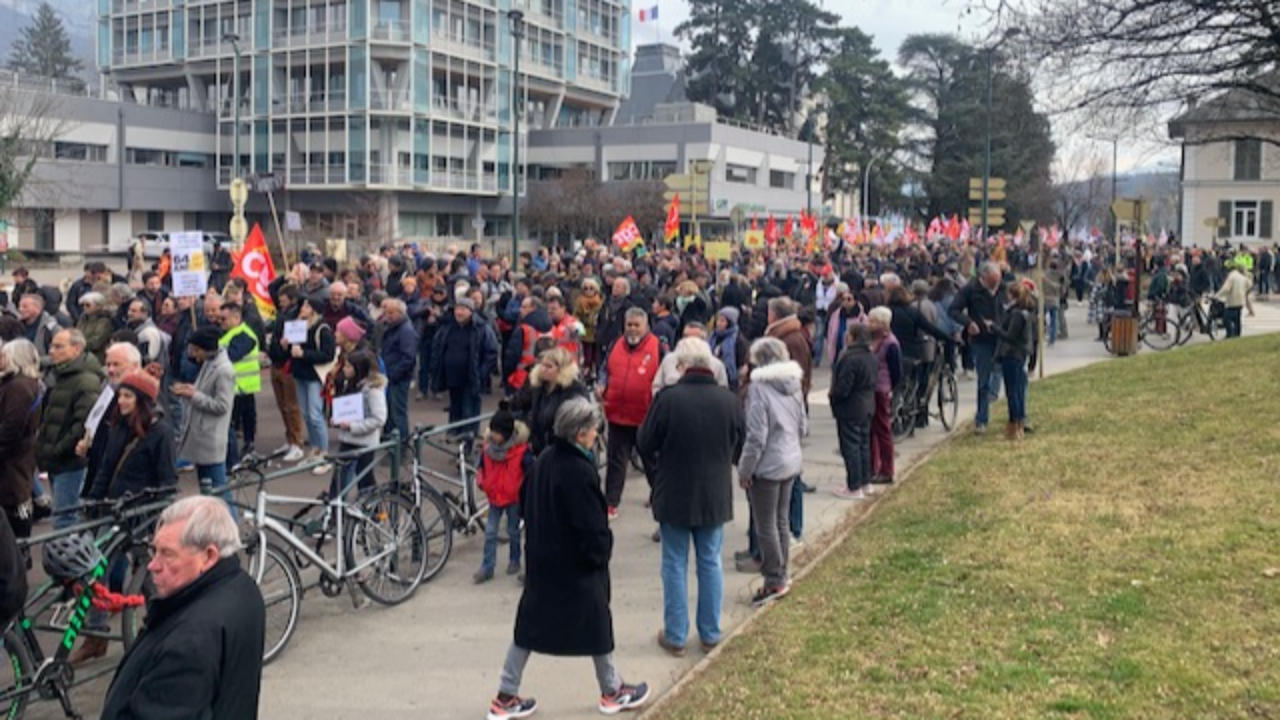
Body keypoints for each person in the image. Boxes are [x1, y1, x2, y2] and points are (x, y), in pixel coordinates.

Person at [486, 397, 649, 720]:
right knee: (597, 626)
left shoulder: (545, 459)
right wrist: (601, 553)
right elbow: (592, 525)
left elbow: (525, 498)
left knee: (528, 629)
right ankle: (612, 690)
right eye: (592, 431)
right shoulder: (579, 471)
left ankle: (506, 694)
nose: (596, 435)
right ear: (580, 434)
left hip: (544, 561)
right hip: (575, 565)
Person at [100, 496, 265, 720]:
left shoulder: (188, 641)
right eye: (154, 550)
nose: (152, 565)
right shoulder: (242, 586)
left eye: (167, 554)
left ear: (209, 556)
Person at [638, 339, 743, 656]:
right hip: (714, 490)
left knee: (674, 563)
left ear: (681, 365)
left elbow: (644, 442)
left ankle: (676, 634)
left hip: (675, 489)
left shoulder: (668, 399)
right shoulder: (728, 399)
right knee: (710, 562)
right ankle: (710, 632)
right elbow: (742, 440)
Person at [74, 369, 176, 664]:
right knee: (96, 570)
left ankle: (165, 626)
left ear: (143, 400)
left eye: (127, 396)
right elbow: (106, 468)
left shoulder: (161, 432)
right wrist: (92, 500)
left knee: (148, 575)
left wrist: (154, 513)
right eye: (120, 394)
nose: (120, 400)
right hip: (113, 511)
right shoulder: (118, 426)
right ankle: (95, 634)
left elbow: (167, 481)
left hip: (142, 515)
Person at [737, 337, 806, 608]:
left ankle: (774, 578)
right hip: (790, 458)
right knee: (780, 520)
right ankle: (782, 572)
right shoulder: (794, 385)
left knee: (765, 523)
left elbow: (756, 435)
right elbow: (802, 424)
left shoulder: (759, 389)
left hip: (767, 463)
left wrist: (745, 469)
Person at [36, 329, 105, 530]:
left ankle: (69, 560)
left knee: (65, 521)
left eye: (59, 347)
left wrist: (57, 449)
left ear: (76, 349)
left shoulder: (85, 380)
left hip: (71, 461)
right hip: (59, 460)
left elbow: (83, 424)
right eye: (52, 346)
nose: (52, 351)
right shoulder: (63, 376)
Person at [598, 308, 661, 519]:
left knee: (651, 462)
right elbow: (604, 369)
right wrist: (601, 384)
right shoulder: (616, 344)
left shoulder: (658, 347)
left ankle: (659, 497)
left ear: (646, 326)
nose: (632, 329)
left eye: (636, 325)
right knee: (616, 462)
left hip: (645, 416)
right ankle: (611, 503)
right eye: (629, 325)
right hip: (617, 413)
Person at [173, 327, 237, 511]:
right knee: (208, 490)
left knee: (218, 490)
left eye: (196, 349)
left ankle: (230, 525)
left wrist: (194, 396)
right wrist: (189, 389)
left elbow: (222, 406)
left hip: (211, 437)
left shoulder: (224, 371)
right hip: (201, 437)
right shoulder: (209, 362)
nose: (193, 353)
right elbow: (201, 389)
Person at [473, 402, 531, 584]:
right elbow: (481, 467)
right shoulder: (487, 450)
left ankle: (515, 558)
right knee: (490, 532)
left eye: (496, 432)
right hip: (494, 496)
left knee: (513, 531)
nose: (492, 435)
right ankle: (487, 566)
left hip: (513, 497)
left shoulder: (521, 452)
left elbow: (530, 471)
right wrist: (482, 481)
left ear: (505, 434)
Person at [949, 261, 1005, 434]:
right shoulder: (971, 290)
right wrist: (968, 323)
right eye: (992, 282)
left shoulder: (1004, 288)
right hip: (982, 339)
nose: (996, 285)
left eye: (998, 281)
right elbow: (953, 310)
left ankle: (1017, 417)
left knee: (1008, 375)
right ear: (983, 278)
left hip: (1003, 338)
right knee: (983, 380)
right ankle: (982, 419)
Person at [431, 298, 499, 437]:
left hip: (472, 376)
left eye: (463, 309)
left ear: (471, 311)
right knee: (455, 405)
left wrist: (481, 373)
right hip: (451, 375)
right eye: (457, 308)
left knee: (469, 408)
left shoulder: (481, 328)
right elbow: (437, 347)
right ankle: (454, 432)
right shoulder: (448, 326)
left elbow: (491, 352)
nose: (459, 312)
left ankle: (469, 436)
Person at [286, 296, 337, 473]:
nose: (302, 308)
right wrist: (286, 344)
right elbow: (292, 350)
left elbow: (328, 354)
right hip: (300, 374)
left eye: (307, 306)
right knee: (306, 414)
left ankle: (324, 453)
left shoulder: (322, 329)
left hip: (314, 376)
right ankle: (315, 450)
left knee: (315, 415)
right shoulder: (299, 326)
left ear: (314, 310)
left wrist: (304, 354)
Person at [329, 349, 387, 500]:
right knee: (340, 478)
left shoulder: (373, 390)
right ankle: (336, 510)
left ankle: (374, 511)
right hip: (348, 438)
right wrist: (337, 419)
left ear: (359, 369)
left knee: (365, 479)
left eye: (348, 367)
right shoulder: (350, 383)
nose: (344, 369)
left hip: (364, 441)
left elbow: (379, 418)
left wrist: (352, 426)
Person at [0, 339, 42, 541]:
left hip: (11, 463)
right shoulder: (20, 383)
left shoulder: (19, 387)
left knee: (13, 513)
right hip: (16, 461)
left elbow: (11, 428)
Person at [829, 323, 878, 500]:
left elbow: (843, 387)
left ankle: (854, 485)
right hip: (867, 404)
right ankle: (866, 482)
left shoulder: (850, 358)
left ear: (853, 337)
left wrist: (833, 396)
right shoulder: (871, 356)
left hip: (850, 407)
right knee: (864, 445)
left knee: (850, 447)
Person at [988, 282, 1037, 440]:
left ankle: (1014, 427)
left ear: (1012, 295)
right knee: (1017, 391)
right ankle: (1018, 424)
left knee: (1012, 392)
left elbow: (1010, 336)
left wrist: (994, 328)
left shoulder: (1017, 314)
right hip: (1019, 355)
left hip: (1012, 354)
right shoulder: (1026, 312)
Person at [266, 285, 306, 462]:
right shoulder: (282, 313)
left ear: (293, 300)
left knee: (292, 407)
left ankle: (297, 442)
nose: (280, 303)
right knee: (283, 406)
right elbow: (271, 289)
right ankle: (290, 440)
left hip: (288, 365)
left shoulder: (297, 316)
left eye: (283, 300)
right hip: (276, 362)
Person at [523, 346, 589, 455]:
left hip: (563, 453)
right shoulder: (539, 387)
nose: (543, 369)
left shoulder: (573, 390)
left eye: (549, 366)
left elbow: (580, 424)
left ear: (562, 370)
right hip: (540, 451)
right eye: (542, 365)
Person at [218, 302, 260, 459]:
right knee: (236, 422)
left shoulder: (244, 335)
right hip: (234, 386)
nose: (220, 322)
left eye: (224, 319)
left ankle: (243, 451)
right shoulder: (230, 333)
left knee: (237, 422)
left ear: (236, 318)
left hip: (242, 386)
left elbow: (232, 355)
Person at [867, 306, 902, 484]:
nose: (869, 323)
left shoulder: (890, 343)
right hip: (870, 389)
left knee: (883, 429)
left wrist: (890, 389)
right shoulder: (873, 339)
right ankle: (873, 466)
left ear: (882, 323)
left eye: (873, 321)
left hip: (881, 388)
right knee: (872, 430)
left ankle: (887, 469)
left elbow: (896, 371)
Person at [378, 297, 418, 442]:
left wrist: (393, 375)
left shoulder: (406, 331)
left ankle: (401, 444)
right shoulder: (392, 328)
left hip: (397, 378)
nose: (387, 316)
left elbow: (408, 358)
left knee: (398, 412)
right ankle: (391, 440)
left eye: (390, 313)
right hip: (390, 375)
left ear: (400, 313)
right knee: (390, 410)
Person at [1214, 260, 1253, 338]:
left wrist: (1217, 295)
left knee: (1226, 318)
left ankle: (1230, 334)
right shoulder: (1242, 277)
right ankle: (1237, 334)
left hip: (1232, 301)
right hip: (1240, 301)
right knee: (1237, 319)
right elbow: (1249, 285)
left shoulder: (1231, 277)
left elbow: (1226, 289)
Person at [710, 307, 745, 391]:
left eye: (722, 321)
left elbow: (741, 359)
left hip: (730, 378)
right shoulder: (712, 336)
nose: (718, 323)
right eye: (718, 320)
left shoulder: (738, 340)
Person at [76, 292, 114, 364]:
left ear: (98, 306)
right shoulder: (83, 318)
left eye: (88, 305)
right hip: (80, 354)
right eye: (83, 305)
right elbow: (76, 334)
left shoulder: (104, 321)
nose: (84, 307)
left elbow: (96, 342)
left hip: (96, 358)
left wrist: (78, 345)